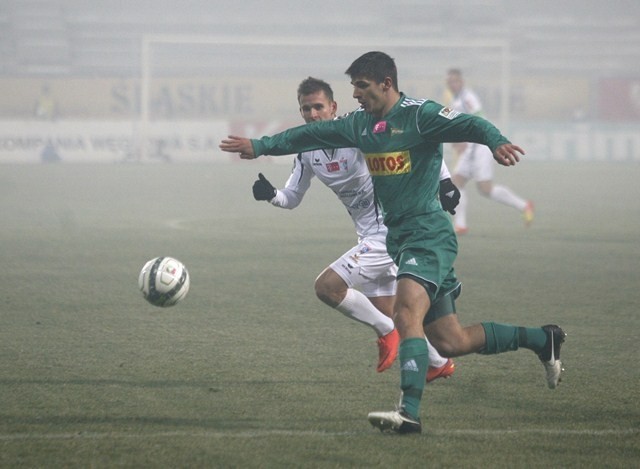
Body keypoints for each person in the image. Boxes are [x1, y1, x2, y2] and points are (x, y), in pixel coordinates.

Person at [220, 51, 566, 435]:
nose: (357, 96)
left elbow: (470, 124)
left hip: (427, 234)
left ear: (386, 83)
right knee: (451, 341)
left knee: (404, 315)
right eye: (354, 89)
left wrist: (495, 143)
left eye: (362, 87)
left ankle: (409, 413)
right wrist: (262, 144)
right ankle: (543, 339)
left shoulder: (420, 114)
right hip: (401, 240)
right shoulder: (359, 126)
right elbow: (308, 135)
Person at [252, 77, 458, 380]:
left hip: (390, 233)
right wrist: (271, 195)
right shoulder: (307, 151)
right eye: (306, 109)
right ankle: (439, 362)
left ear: (333, 107)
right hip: (368, 236)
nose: (312, 115)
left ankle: (387, 332)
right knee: (396, 315)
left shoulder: (358, 132)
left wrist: (445, 181)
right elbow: (292, 197)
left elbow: (410, 143)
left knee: (328, 287)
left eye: (318, 107)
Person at [445, 68, 534, 234]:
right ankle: (461, 225)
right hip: (470, 147)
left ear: (461, 82)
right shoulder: (456, 100)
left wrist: (465, 139)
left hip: (479, 147)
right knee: (455, 183)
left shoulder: (468, 97)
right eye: (449, 82)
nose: (452, 84)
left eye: (455, 81)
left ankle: (524, 206)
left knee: (485, 189)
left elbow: (479, 117)